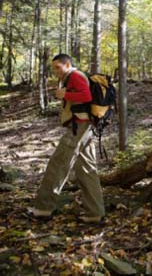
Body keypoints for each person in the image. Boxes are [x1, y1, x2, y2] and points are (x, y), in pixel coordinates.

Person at [27, 54, 105, 223]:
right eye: (53, 68)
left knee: (58, 163)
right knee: (87, 170)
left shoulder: (75, 76)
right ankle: (95, 212)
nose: (55, 71)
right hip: (85, 128)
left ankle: (43, 209)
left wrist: (65, 94)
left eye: (58, 67)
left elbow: (86, 96)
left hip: (79, 127)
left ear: (68, 64)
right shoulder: (72, 77)